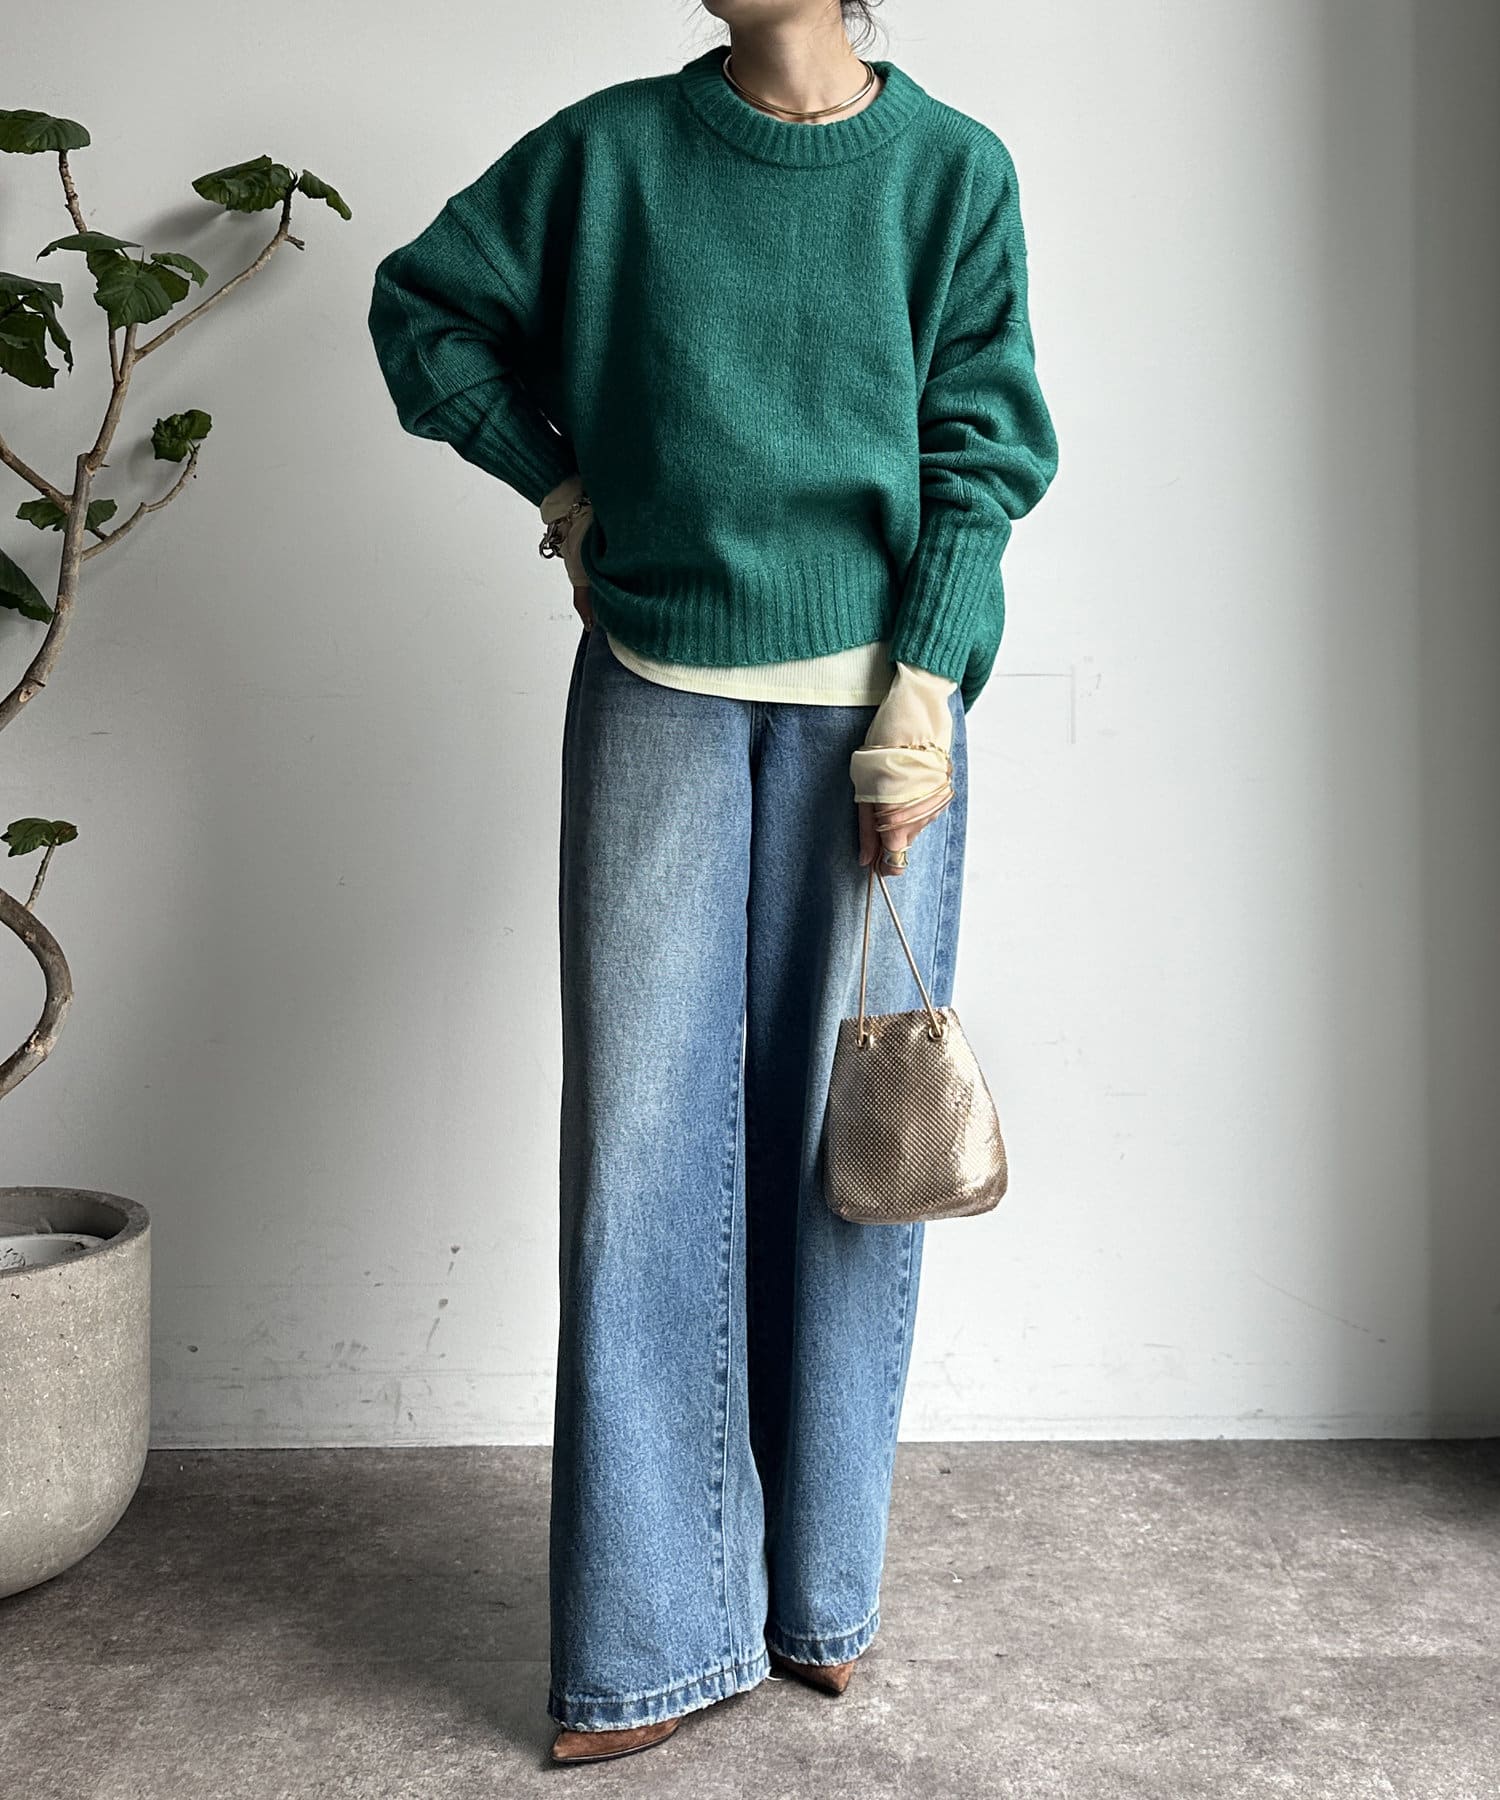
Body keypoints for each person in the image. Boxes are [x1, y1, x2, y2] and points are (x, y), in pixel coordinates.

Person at [367, 0, 1059, 1765]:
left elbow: (984, 450)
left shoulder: (949, 172)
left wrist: (927, 690)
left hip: (874, 724)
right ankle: (648, 1640)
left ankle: (821, 1597)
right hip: (656, 692)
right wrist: (562, 490)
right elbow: (423, 308)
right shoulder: (610, 156)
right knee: (645, 1164)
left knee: (852, 1163)